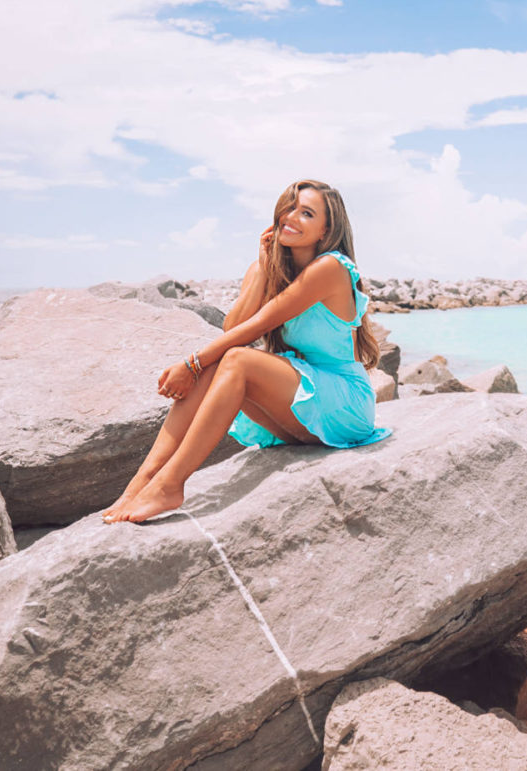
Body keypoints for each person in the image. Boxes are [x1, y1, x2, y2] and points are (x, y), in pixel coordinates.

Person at [103, 179, 389, 524]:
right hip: (303, 404)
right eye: (290, 207)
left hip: (343, 402)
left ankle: (170, 484)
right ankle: (143, 479)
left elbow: (256, 327)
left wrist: (190, 363)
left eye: (306, 213)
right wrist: (263, 267)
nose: (291, 216)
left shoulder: (331, 268)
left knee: (230, 360)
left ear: (325, 231)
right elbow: (233, 329)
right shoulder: (269, 267)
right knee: (219, 362)